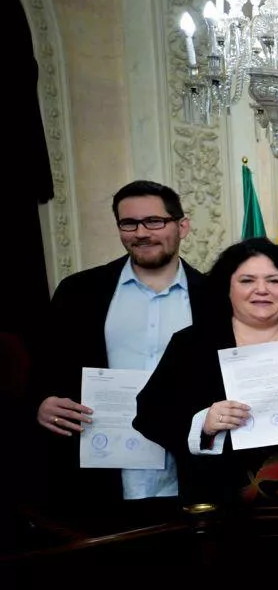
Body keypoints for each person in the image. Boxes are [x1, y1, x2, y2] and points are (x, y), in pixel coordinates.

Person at [133, 238, 278, 509]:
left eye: (273, 280)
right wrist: (203, 422)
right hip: (219, 510)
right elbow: (148, 414)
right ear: (227, 288)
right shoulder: (192, 345)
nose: (261, 290)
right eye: (247, 281)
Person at [33, 179, 207, 513]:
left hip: (189, 475)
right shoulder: (78, 292)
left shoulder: (214, 296)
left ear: (182, 226)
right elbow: (43, 368)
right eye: (129, 223)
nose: (141, 232)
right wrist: (41, 403)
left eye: (154, 221)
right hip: (100, 477)